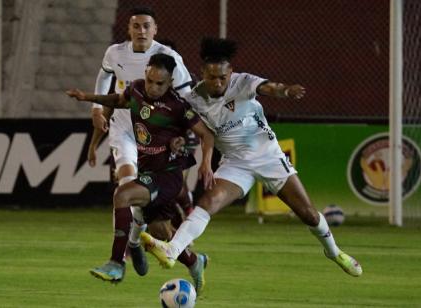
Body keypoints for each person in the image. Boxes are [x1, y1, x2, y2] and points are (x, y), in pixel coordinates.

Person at [141, 38, 363, 278]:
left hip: (268, 157)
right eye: (212, 77)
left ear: (231, 73)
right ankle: (172, 250)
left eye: (222, 77)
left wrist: (285, 91)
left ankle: (333, 251)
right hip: (236, 164)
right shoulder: (194, 100)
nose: (217, 82)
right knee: (208, 202)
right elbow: (194, 131)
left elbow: (269, 87)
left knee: (308, 213)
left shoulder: (243, 82)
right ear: (203, 72)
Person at [66, 54, 215, 290]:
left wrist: (205, 161)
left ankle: (116, 262)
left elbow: (206, 134)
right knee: (160, 231)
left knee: (122, 195)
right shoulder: (136, 90)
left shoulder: (178, 106)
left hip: (168, 176)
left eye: (160, 83)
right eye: (150, 81)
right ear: (145, 74)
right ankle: (195, 262)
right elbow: (118, 99)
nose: (153, 87)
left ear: (170, 82)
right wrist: (88, 98)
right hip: (149, 171)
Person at [87, 6, 196, 281]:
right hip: (124, 131)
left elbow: (188, 97)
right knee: (125, 188)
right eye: (136, 26)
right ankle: (119, 257)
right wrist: (96, 110)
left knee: (161, 208)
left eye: (147, 25)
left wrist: (185, 133)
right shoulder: (114, 53)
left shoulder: (169, 58)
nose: (141, 31)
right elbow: (105, 78)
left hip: (160, 138)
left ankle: (138, 242)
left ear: (155, 29)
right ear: (129, 29)